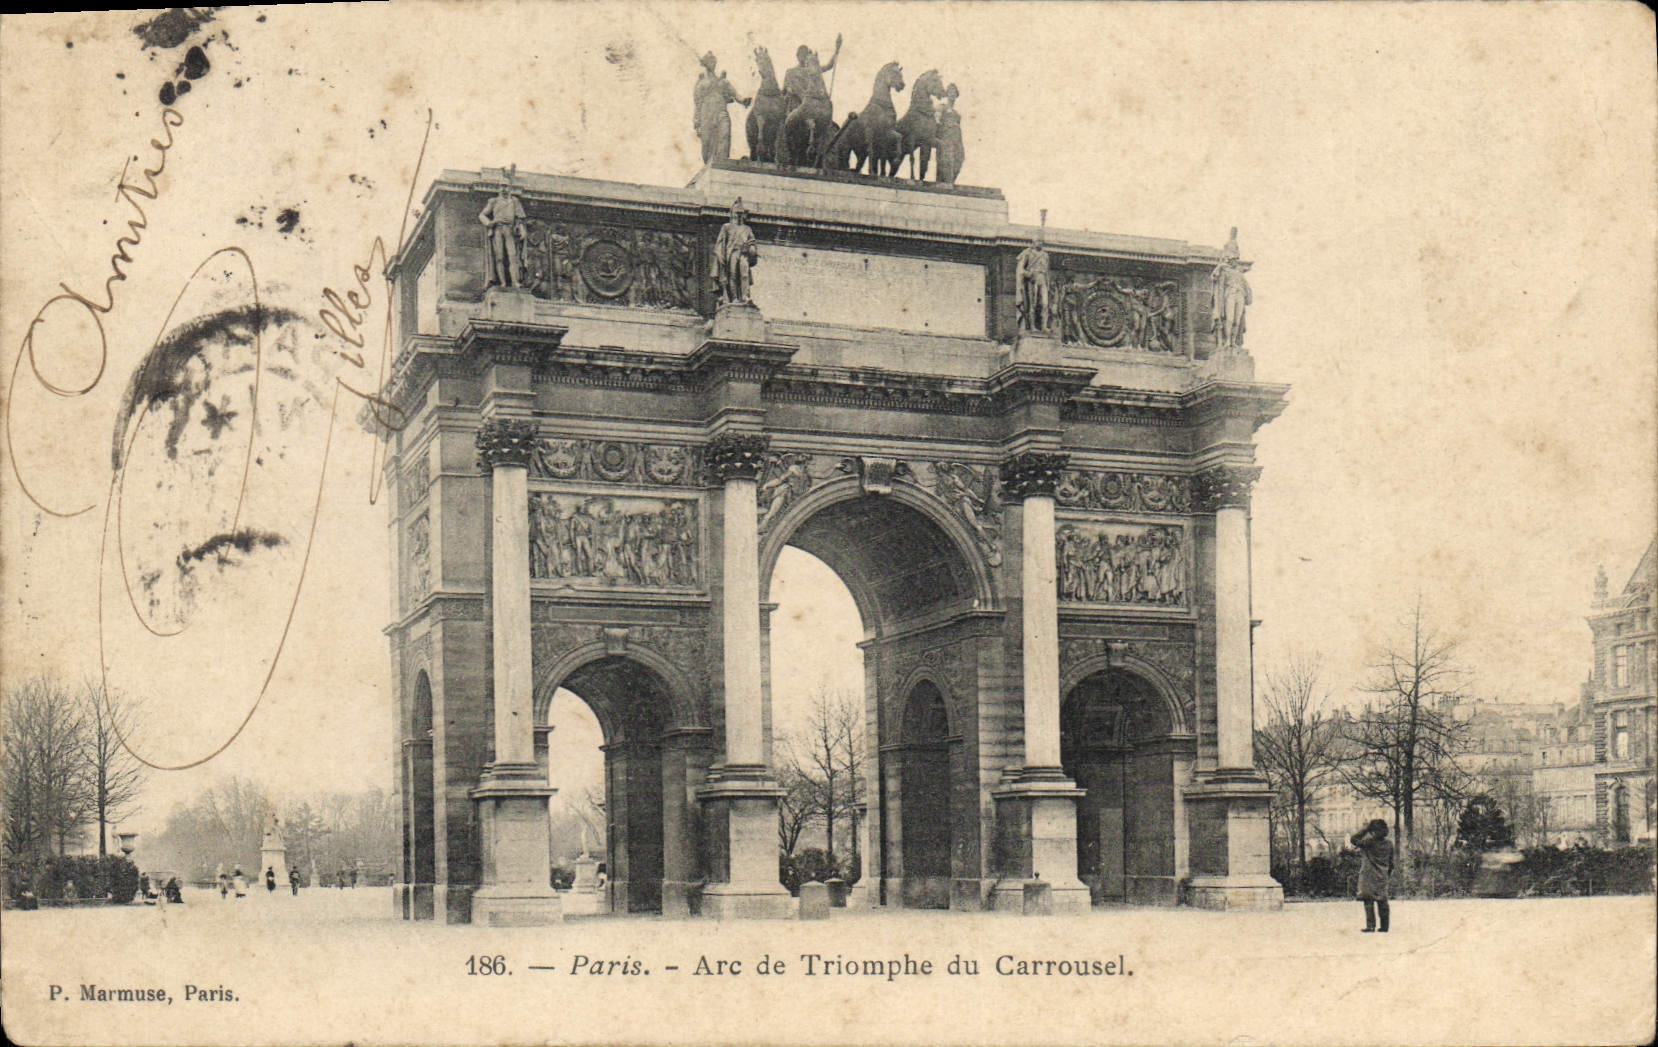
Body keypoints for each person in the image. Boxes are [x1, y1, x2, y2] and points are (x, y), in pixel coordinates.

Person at [693, 52, 750, 164]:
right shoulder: (701, 83)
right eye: (710, 61)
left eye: (714, 61)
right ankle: (709, 165)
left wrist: (743, 100)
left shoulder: (722, 81)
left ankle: (723, 163)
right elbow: (697, 104)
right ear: (705, 64)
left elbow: (735, 93)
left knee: (725, 134)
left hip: (721, 111)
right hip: (706, 114)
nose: (713, 63)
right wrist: (697, 123)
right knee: (707, 143)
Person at [1350, 818, 1394, 933]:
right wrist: (1387, 874)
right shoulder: (1389, 844)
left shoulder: (1369, 842)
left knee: (1368, 900)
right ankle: (1384, 927)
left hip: (1368, 876)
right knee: (1382, 901)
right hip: (1382, 875)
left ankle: (1370, 926)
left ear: (1373, 831)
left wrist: (1365, 829)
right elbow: (1391, 863)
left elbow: (1353, 839)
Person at [713, 199, 759, 305]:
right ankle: (734, 298)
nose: (739, 215)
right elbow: (720, 243)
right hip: (731, 253)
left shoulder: (747, 229)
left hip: (743, 253)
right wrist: (721, 257)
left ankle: (745, 296)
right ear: (733, 213)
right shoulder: (726, 227)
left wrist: (751, 249)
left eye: (741, 213)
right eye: (737, 213)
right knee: (732, 275)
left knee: (744, 275)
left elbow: (752, 242)